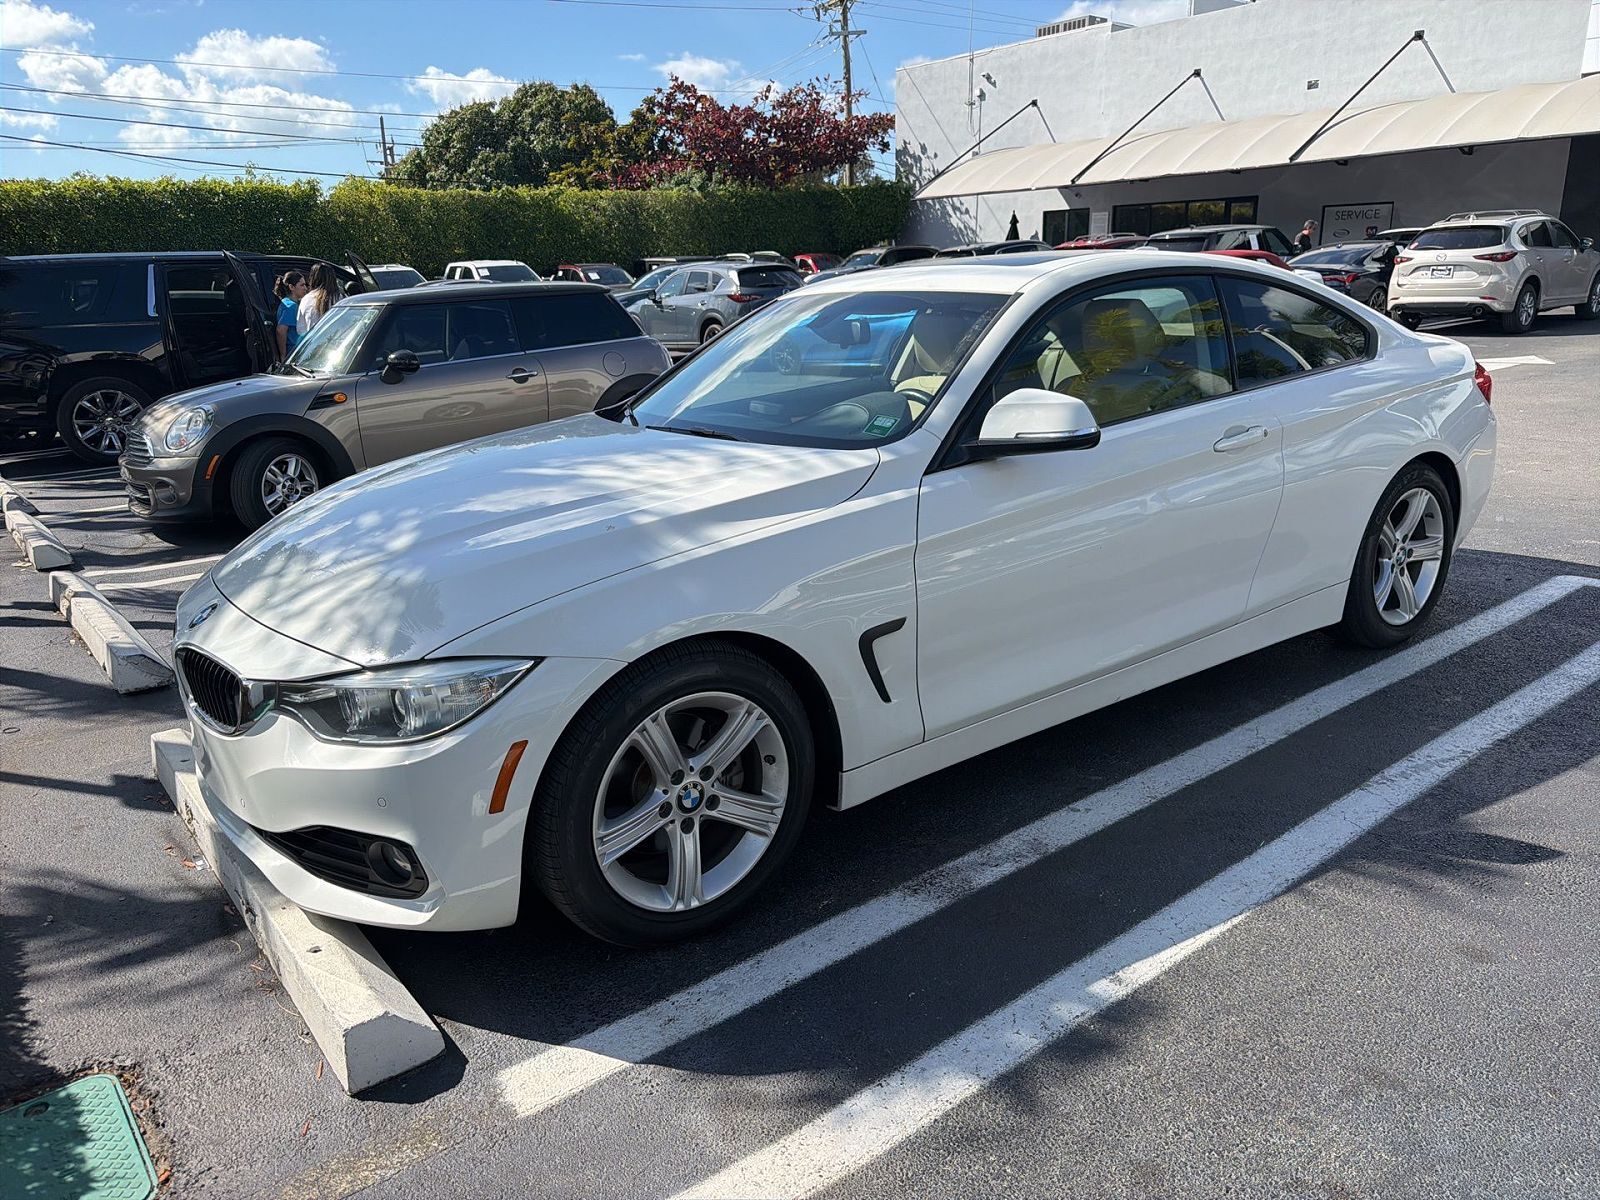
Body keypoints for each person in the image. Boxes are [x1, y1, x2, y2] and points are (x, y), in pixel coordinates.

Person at [274, 271, 307, 359]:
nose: (305, 288)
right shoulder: (291, 306)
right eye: (302, 285)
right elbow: (281, 331)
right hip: (294, 352)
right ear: (292, 287)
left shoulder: (286, 302)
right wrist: (283, 355)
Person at [297, 263, 334, 339]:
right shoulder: (342, 298)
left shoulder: (307, 299)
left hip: (314, 346)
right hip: (340, 346)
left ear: (313, 278)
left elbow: (300, 330)